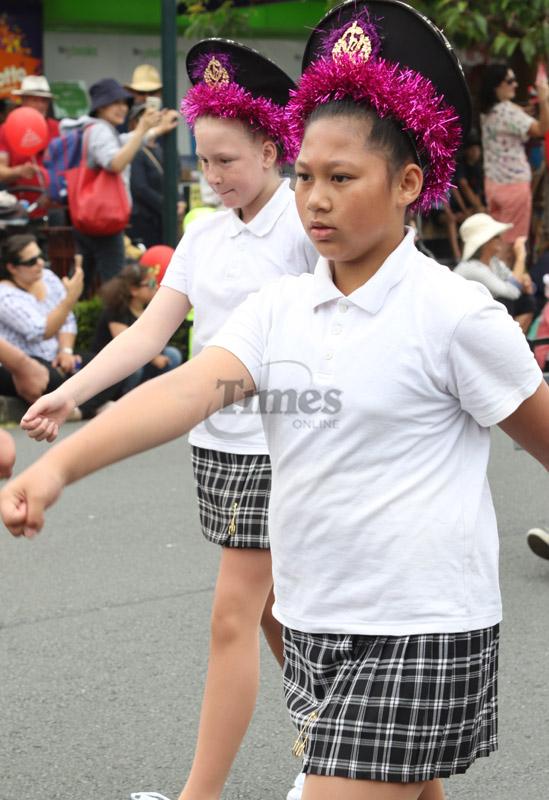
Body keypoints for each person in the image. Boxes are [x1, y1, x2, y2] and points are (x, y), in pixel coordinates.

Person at [5, 4, 549, 800]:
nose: (314, 199)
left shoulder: (455, 317)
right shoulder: (278, 310)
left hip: (420, 627)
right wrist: (57, 468)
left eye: (340, 178)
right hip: (314, 619)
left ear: (407, 183)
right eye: (306, 177)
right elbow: (186, 389)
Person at [12, 41, 317, 800]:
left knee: (233, 615)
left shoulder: (308, 222)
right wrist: (71, 391)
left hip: (286, 446)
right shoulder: (205, 231)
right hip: (213, 443)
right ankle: (337, 741)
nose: (212, 176)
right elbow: (153, 333)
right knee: (274, 611)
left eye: (227, 160)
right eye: (203, 161)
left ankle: (200, 795)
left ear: (272, 149)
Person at [73, 79, 177, 293]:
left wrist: (155, 130)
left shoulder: (99, 129)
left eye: (124, 103)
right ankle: (112, 315)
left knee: (83, 279)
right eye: (115, 103)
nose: (122, 108)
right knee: (115, 284)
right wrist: (142, 129)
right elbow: (115, 163)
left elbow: (125, 142)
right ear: (100, 107)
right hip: (105, 218)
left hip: (91, 215)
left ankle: (74, 311)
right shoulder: (100, 130)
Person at [0, 233, 111, 418]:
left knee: (107, 366)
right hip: (27, 364)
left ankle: (79, 410)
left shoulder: (48, 277)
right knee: (49, 379)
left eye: (41, 256)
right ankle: (89, 406)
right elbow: (41, 331)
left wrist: (65, 352)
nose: (40, 263)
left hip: (57, 356)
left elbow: (67, 320)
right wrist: (70, 299)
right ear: (12, 267)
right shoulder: (4, 295)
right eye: (31, 261)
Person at [480, 63, 549, 246]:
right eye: (510, 81)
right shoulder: (509, 113)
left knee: (497, 241)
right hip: (514, 187)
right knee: (513, 245)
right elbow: (542, 129)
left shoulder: (487, 111)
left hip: (492, 186)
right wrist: (544, 100)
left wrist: (523, 111)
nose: (515, 84)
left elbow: (510, 114)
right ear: (497, 85)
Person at [91, 261, 182, 394]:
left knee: (172, 355)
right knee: (133, 367)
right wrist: (154, 358)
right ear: (134, 290)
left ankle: (156, 394)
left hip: (141, 358)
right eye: (151, 284)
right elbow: (126, 344)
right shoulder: (117, 311)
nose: (156, 287)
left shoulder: (148, 310)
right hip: (111, 365)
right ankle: (123, 398)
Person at [455, 213, 536, 332]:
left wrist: (526, 285)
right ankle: (509, 338)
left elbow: (519, 285)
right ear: (485, 242)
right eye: (497, 236)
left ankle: (513, 338)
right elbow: (512, 292)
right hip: (467, 322)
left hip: (481, 319)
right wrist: (520, 257)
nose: (501, 239)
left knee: (527, 301)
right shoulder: (472, 268)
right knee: (505, 302)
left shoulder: (494, 262)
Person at [0, 75, 59, 218]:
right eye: (35, 100)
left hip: (54, 205)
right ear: (23, 100)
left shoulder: (57, 129)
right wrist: (18, 171)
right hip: (19, 208)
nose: (41, 105)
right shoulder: (6, 130)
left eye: (44, 100)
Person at [128, 103, 184, 247]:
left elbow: (174, 178)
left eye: (155, 116)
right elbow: (140, 187)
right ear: (135, 123)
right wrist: (167, 204)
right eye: (146, 117)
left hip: (166, 218)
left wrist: (180, 200)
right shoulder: (134, 151)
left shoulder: (165, 148)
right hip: (146, 220)